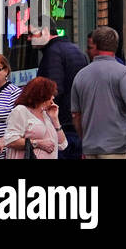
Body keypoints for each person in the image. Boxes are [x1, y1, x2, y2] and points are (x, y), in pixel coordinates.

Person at [70, 26, 126, 159]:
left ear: (95, 45)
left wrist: (86, 141)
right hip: (116, 149)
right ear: (116, 45)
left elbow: (76, 115)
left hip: (90, 149)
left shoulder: (80, 75)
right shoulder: (123, 73)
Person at [31, 25, 88, 159]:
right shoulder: (76, 49)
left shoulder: (52, 53)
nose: (29, 38)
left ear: (44, 32)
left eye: (31, 34)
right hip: (77, 122)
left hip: (61, 125)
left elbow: (54, 91)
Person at [0, 76, 65, 160]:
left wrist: (55, 119)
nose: (53, 97)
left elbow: (62, 145)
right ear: (42, 94)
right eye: (50, 94)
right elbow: (10, 140)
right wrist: (38, 143)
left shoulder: (46, 114)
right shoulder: (20, 111)